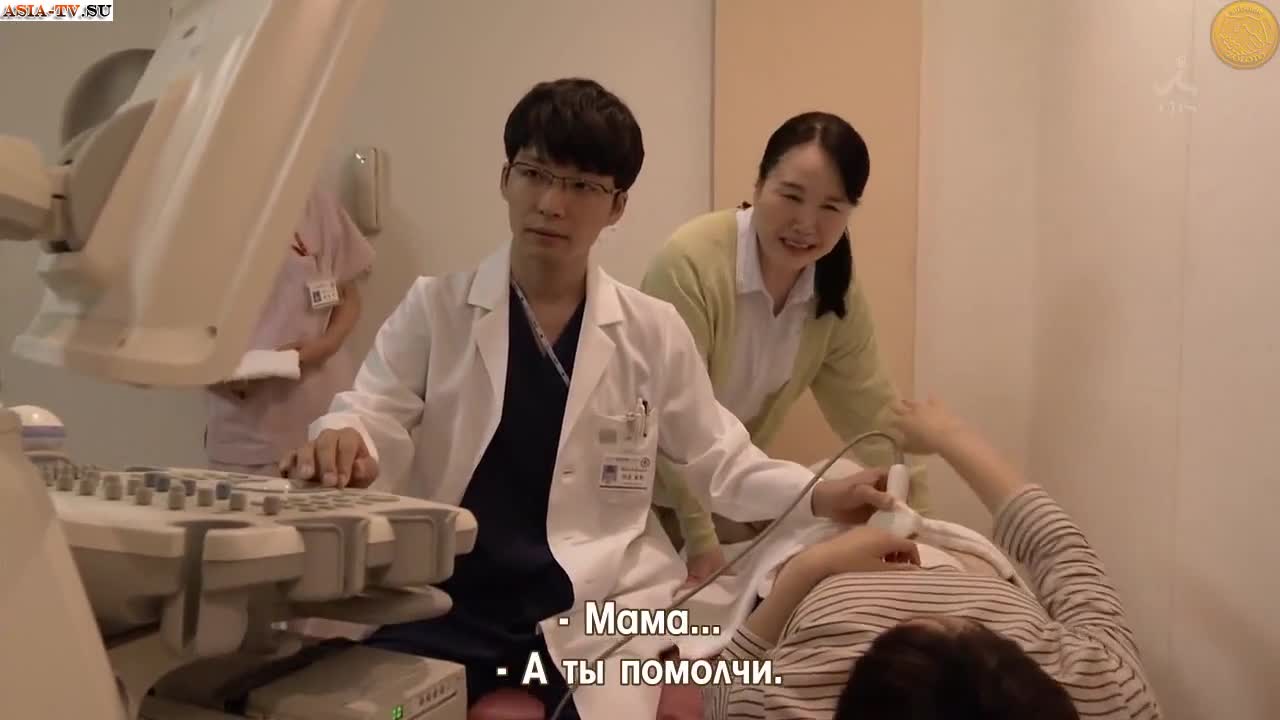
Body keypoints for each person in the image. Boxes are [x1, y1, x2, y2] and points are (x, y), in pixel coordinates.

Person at [276, 78, 899, 720]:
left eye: (582, 186)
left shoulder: (650, 331)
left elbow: (719, 460)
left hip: (599, 609)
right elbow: (374, 409)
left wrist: (823, 493)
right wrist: (346, 437)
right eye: (535, 174)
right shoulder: (435, 310)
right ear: (505, 179)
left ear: (617, 205)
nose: (552, 203)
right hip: (459, 600)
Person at [700, 396, 1162, 720]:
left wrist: (814, 566)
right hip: (958, 553)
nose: (933, 615)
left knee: (810, 488)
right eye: (972, 632)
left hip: (819, 565)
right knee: (837, 482)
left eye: (909, 636)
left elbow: (720, 689)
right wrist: (949, 436)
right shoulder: (1109, 693)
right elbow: (1059, 550)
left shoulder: (789, 703)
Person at [640, 111, 927, 583]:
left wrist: (923, 524)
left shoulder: (832, 288)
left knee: (846, 494)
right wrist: (702, 542)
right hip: (646, 499)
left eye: (831, 207)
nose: (805, 224)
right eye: (791, 196)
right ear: (758, 185)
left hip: (729, 497)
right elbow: (669, 421)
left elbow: (875, 413)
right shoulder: (690, 263)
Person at [205, 188, 374, 475]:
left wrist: (324, 346)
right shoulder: (204, 211)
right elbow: (179, 331)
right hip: (246, 427)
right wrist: (216, 375)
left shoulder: (314, 201)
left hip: (325, 408)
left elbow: (348, 295)